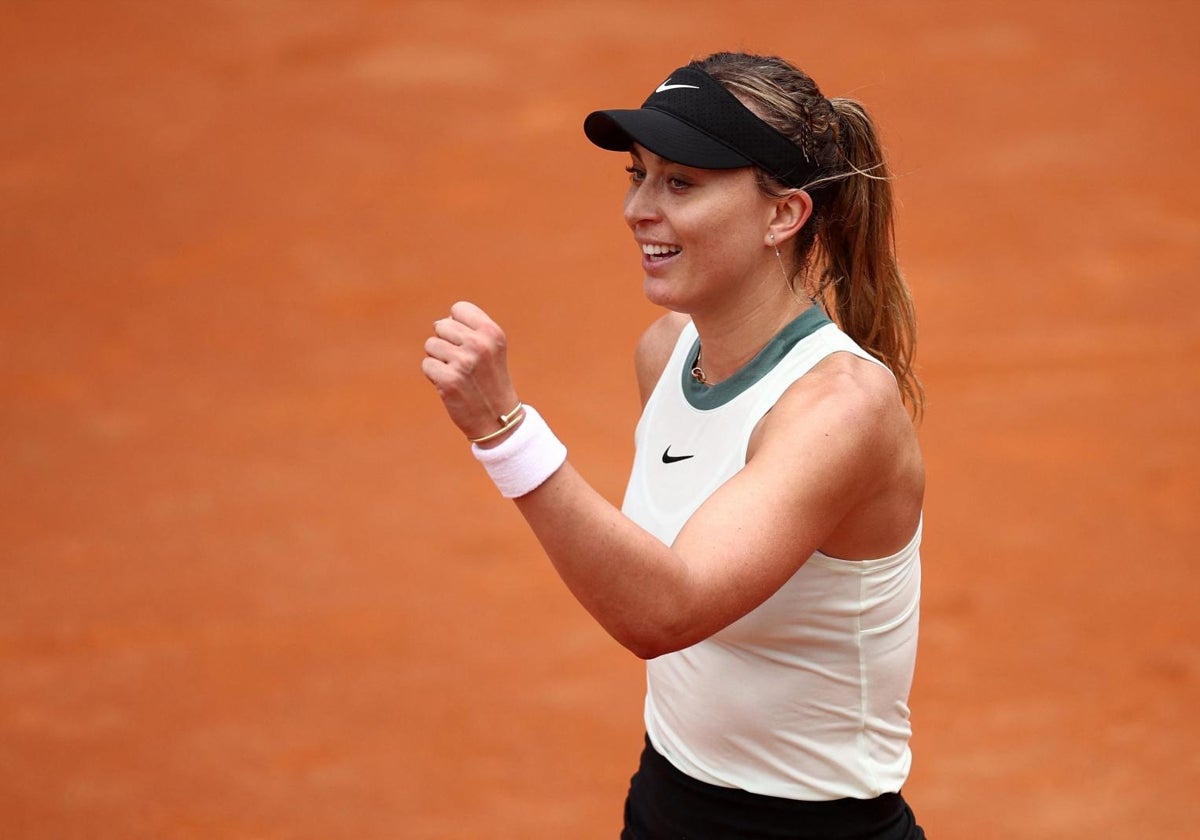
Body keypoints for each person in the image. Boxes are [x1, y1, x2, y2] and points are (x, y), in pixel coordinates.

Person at [422, 51, 926, 840]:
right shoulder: (664, 354)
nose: (638, 209)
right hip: (666, 803)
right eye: (638, 176)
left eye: (680, 183)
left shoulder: (841, 408)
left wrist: (506, 434)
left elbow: (667, 609)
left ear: (783, 215)